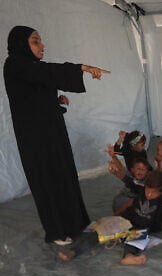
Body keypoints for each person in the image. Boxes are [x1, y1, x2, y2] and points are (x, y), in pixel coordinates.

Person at [3, 26, 109, 245]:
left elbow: (36, 95)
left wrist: (56, 102)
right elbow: (45, 74)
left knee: (65, 175)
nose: (42, 46)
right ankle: (58, 231)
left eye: (40, 41)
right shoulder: (14, 64)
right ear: (21, 44)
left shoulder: (31, 67)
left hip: (52, 133)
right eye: (35, 41)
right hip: (36, 140)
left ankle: (76, 223)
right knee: (48, 180)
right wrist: (81, 67)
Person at [58, 170, 162, 266]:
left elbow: (158, 221)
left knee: (136, 241)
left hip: (139, 227)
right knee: (97, 233)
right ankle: (73, 252)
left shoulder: (161, 201)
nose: (148, 194)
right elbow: (129, 182)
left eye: (153, 193)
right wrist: (115, 215)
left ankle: (128, 257)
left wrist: (151, 231)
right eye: (147, 190)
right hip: (124, 220)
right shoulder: (141, 190)